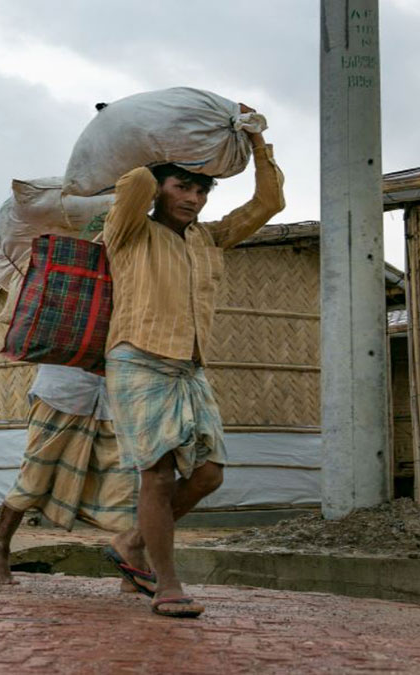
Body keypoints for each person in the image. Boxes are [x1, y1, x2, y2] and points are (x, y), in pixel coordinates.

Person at [101, 104, 283, 618]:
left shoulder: (209, 238)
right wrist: (166, 146)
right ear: (161, 188)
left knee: (208, 475)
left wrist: (257, 144)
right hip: (137, 358)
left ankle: (132, 541)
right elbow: (135, 179)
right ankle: (167, 584)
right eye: (182, 186)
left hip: (190, 367)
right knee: (156, 477)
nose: (194, 199)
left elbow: (269, 201)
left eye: (201, 191)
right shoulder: (129, 230)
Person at [0, 365, 139, 586]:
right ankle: (0, 547)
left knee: (123, 483)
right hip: (61, 393)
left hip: (112, 400)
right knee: (34, 478)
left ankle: (133, 565)